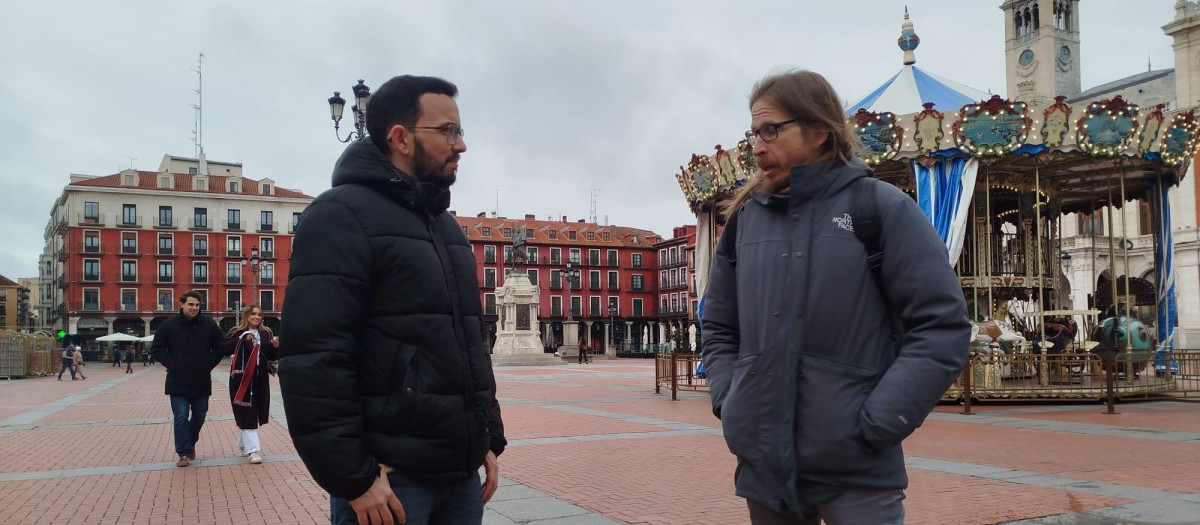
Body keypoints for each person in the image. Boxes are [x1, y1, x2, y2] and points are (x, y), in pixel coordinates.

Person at [701, 70, 970, 525]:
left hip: (857, 468)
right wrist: (731, 402)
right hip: (764, 463)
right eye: (753, 133)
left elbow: (941, 326)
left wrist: (879, 422)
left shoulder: (880, 208)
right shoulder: (745, 223)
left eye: (771, 130)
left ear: (820, 130)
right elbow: (719, 326)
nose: (757, 147)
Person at [281, 74, 506, 525]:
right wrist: (353, 477)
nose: (461, 145)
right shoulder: (339, 216)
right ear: (401, 138)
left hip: (459, 476)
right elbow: (316, 358)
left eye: (460, 131)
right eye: (448, 131)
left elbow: (466, 344)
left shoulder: (447, 229)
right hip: (390, 482)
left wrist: (486, 437)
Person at [151, 290, 224, 468]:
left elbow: (220, 349)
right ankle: (183, 452)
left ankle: (189, 443)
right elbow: (157, 349)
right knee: (181, 416)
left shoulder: (209, 325)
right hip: (177, 380)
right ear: (182, 304)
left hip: (201, 380)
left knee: (200, 416)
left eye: (197, 305)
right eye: (191, 304)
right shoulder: (168, 326)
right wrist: (173, 364)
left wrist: (207, 365)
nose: (194, 308)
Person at [219, 304, 280, 464]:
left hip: (260, 378)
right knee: (246, 410)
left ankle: (243, 442)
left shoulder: (266, 333)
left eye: (259, 314)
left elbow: (271, 356)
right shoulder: (236, 332)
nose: (256, 317)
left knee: (255, 410)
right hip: (242, 379)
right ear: (246, 316)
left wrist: (275, 348)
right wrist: (239, 339)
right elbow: (223, 349)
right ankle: (253, 450)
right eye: (253, 314)